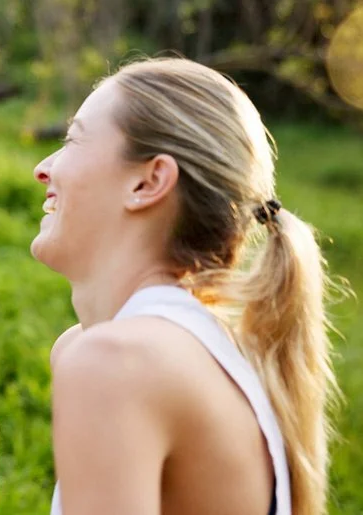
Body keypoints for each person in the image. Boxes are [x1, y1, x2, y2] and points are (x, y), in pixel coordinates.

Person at [31, 57, 338, 515]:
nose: (42, 167)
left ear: (148, 181)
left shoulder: (118, 362)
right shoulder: (201, 353)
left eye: (73, 139)